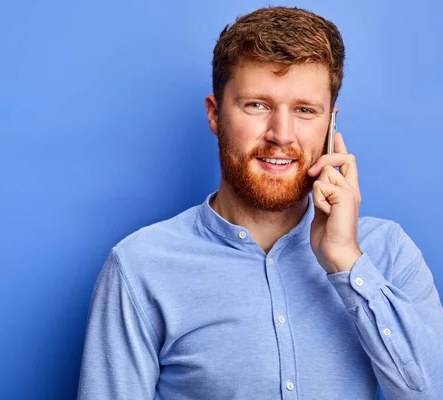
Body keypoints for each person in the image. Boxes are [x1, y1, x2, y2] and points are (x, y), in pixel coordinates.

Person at [76, 6, 443, 400]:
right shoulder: (140, 267)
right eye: (257, 105)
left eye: (305, 110)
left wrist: (346, 262)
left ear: (330, 124)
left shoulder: (387, 253)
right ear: (215, 114)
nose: (281, 135)